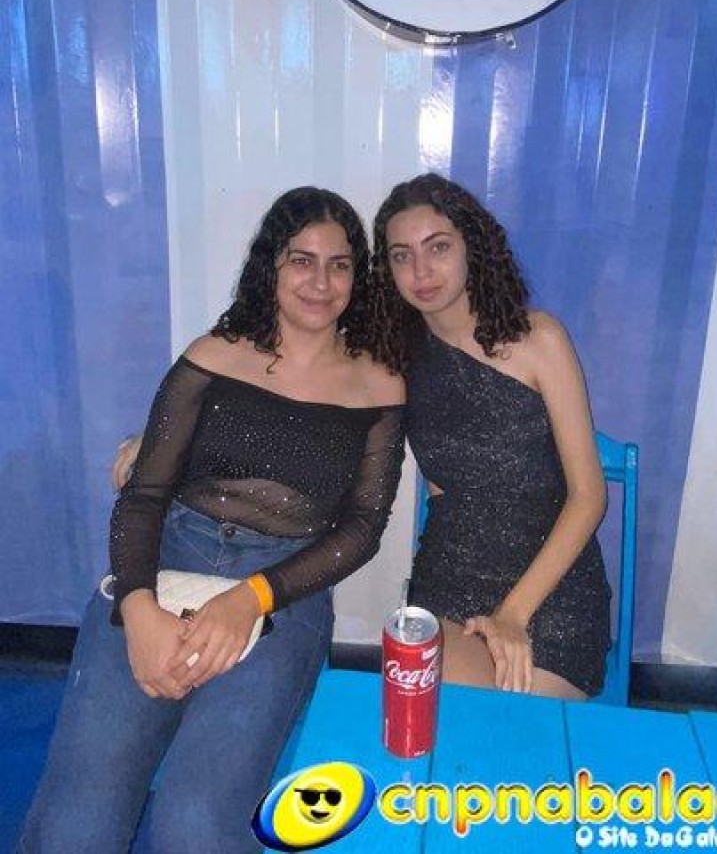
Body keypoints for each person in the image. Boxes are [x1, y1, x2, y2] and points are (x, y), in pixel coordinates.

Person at [19, 187, 405, 854]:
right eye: (301, 260)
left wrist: (249, 599)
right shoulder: (214, 356)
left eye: (339, 265)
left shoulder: (379, 384)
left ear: (357, 277)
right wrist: (138, 611)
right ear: (270, 265)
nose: (320, 282)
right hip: (167, 557)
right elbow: (144, 495)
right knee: (74, 824)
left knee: (195, 822)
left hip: (286, 587)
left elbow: (363, 528)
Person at [371, 172, 610, 700]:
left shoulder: (538, 338)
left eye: (438, 248)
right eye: (402, 256)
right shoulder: (399, 358)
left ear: (471, 248)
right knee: (433, 708)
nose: (421, 271)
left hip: (551, 585)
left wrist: (512, 615)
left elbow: (590, 496)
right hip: (451, 575)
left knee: (504, 721)